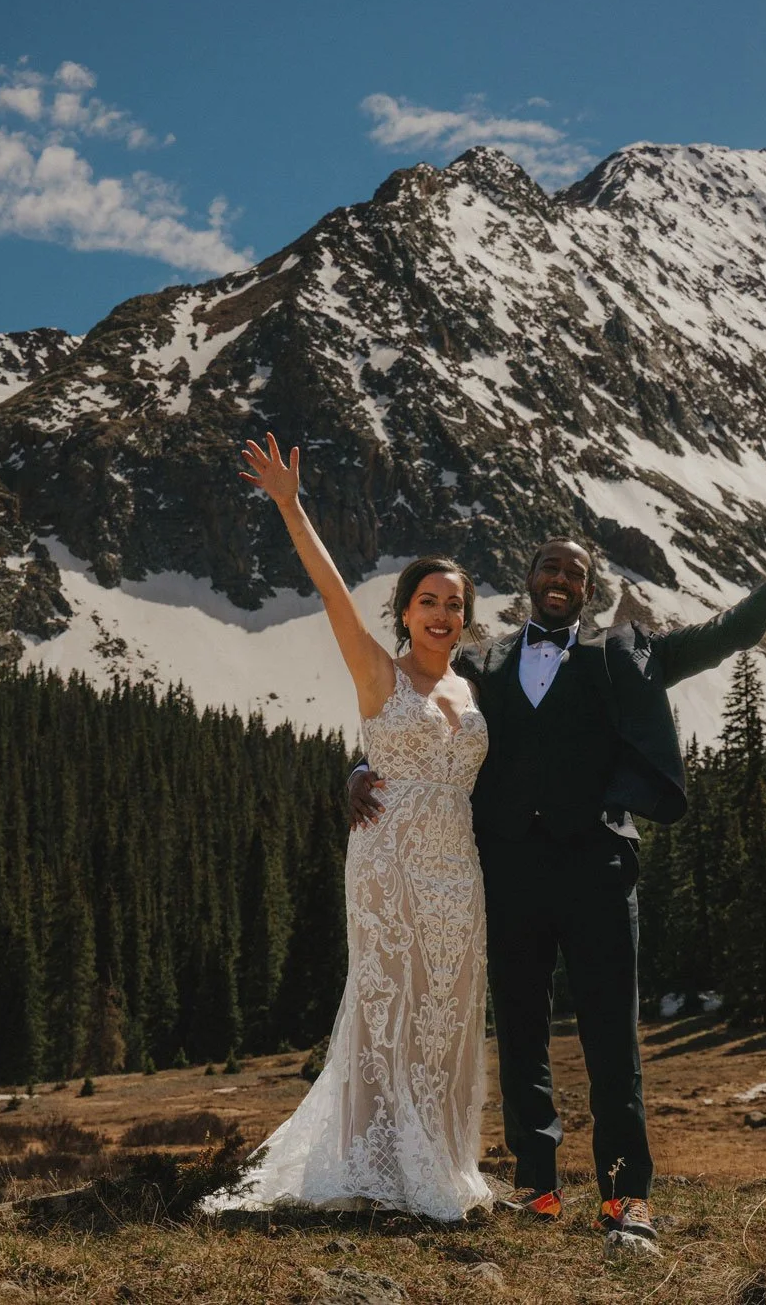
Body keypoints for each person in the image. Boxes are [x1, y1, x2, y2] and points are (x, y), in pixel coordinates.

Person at [348, 500, 766, 1242]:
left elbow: (725, 634)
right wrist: (356, 767)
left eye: (575, 570)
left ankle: (624, 1197)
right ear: (529, 580)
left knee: (611, 1037)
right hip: (506, 871)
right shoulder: (482, 661)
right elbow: (415, 713)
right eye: (550, 566)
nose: (561, 577)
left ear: (590, 588)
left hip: (600, 871)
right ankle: (536, 1186)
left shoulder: (627, 652)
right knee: (522, 1032)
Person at [203, 432, 493, 1221]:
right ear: (405, 612)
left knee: (450, 1002)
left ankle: (440, 1155)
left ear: (466, 621)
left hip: (457, 870)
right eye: (429, 602)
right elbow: (330, 592)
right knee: (389, 1001)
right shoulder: (379, 673)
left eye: (455, 605)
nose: (442, 614)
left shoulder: (473, 692)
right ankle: (379, 1164)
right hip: (388, 862)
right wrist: (292, 508)